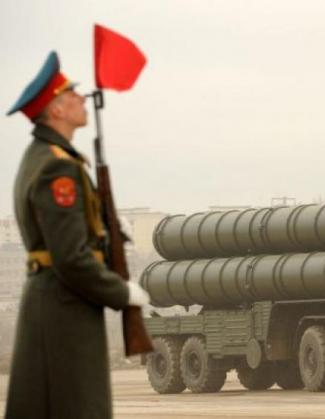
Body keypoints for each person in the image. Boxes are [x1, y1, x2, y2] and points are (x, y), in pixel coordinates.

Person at [4, 51, 150, 419]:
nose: (82, 99)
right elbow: (69, 257)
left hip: (56, 304)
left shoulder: (45, 158)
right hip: (65, 311)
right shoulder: (58, 168)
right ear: (56, 110)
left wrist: (107, 231)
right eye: (71, 94)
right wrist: (120, 292)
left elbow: (66, 238)